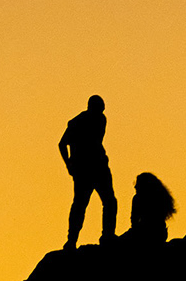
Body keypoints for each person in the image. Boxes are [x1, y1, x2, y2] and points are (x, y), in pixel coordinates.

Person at [59, 95, 116, 249]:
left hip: (96, 166)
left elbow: (64, 144)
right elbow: (62, 144)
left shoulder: (100, 119)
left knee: (108, 201)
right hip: (85, 168)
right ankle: (72, 240)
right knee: (81, 204)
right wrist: (69, 164)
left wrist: (70, 164)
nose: (102, 111)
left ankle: (107, 236)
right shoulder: (77, 123)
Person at [117, 172, 176, 245]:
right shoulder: (160, 198)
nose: (135, 186)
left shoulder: (138, 198)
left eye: (137, 184)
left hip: (143, 234)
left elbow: (134, 221)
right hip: (160, 234)